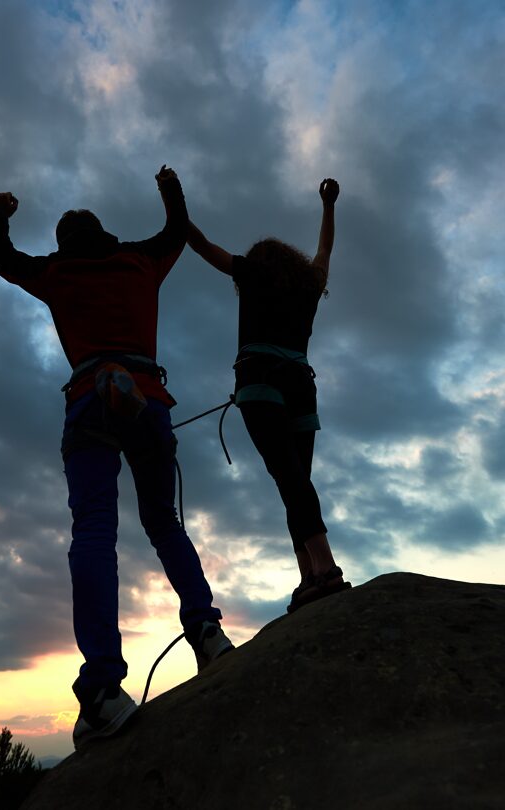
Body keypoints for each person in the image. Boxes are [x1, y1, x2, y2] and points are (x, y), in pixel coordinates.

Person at [0, 166, 233, 749]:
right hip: (148, 400)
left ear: (63, 242)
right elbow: (176, 230)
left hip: (89, 400)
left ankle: (102, 691)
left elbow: (2, 258)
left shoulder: (56, 271)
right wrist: (170, 190)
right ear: (104, 231)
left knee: (94, 529)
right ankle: (207, 633)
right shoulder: (140, 260)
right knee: (163, 522)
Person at [186, 178, 350, 613]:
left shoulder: (252, 272)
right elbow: (325, 249)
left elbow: (200, 245)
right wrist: (329, 205)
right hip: (301, 386)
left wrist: (174, 204)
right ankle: (309, 574)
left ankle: (325, 569)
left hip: (259, 380)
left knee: (289, 479)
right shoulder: (310, 281)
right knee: (296, 480)